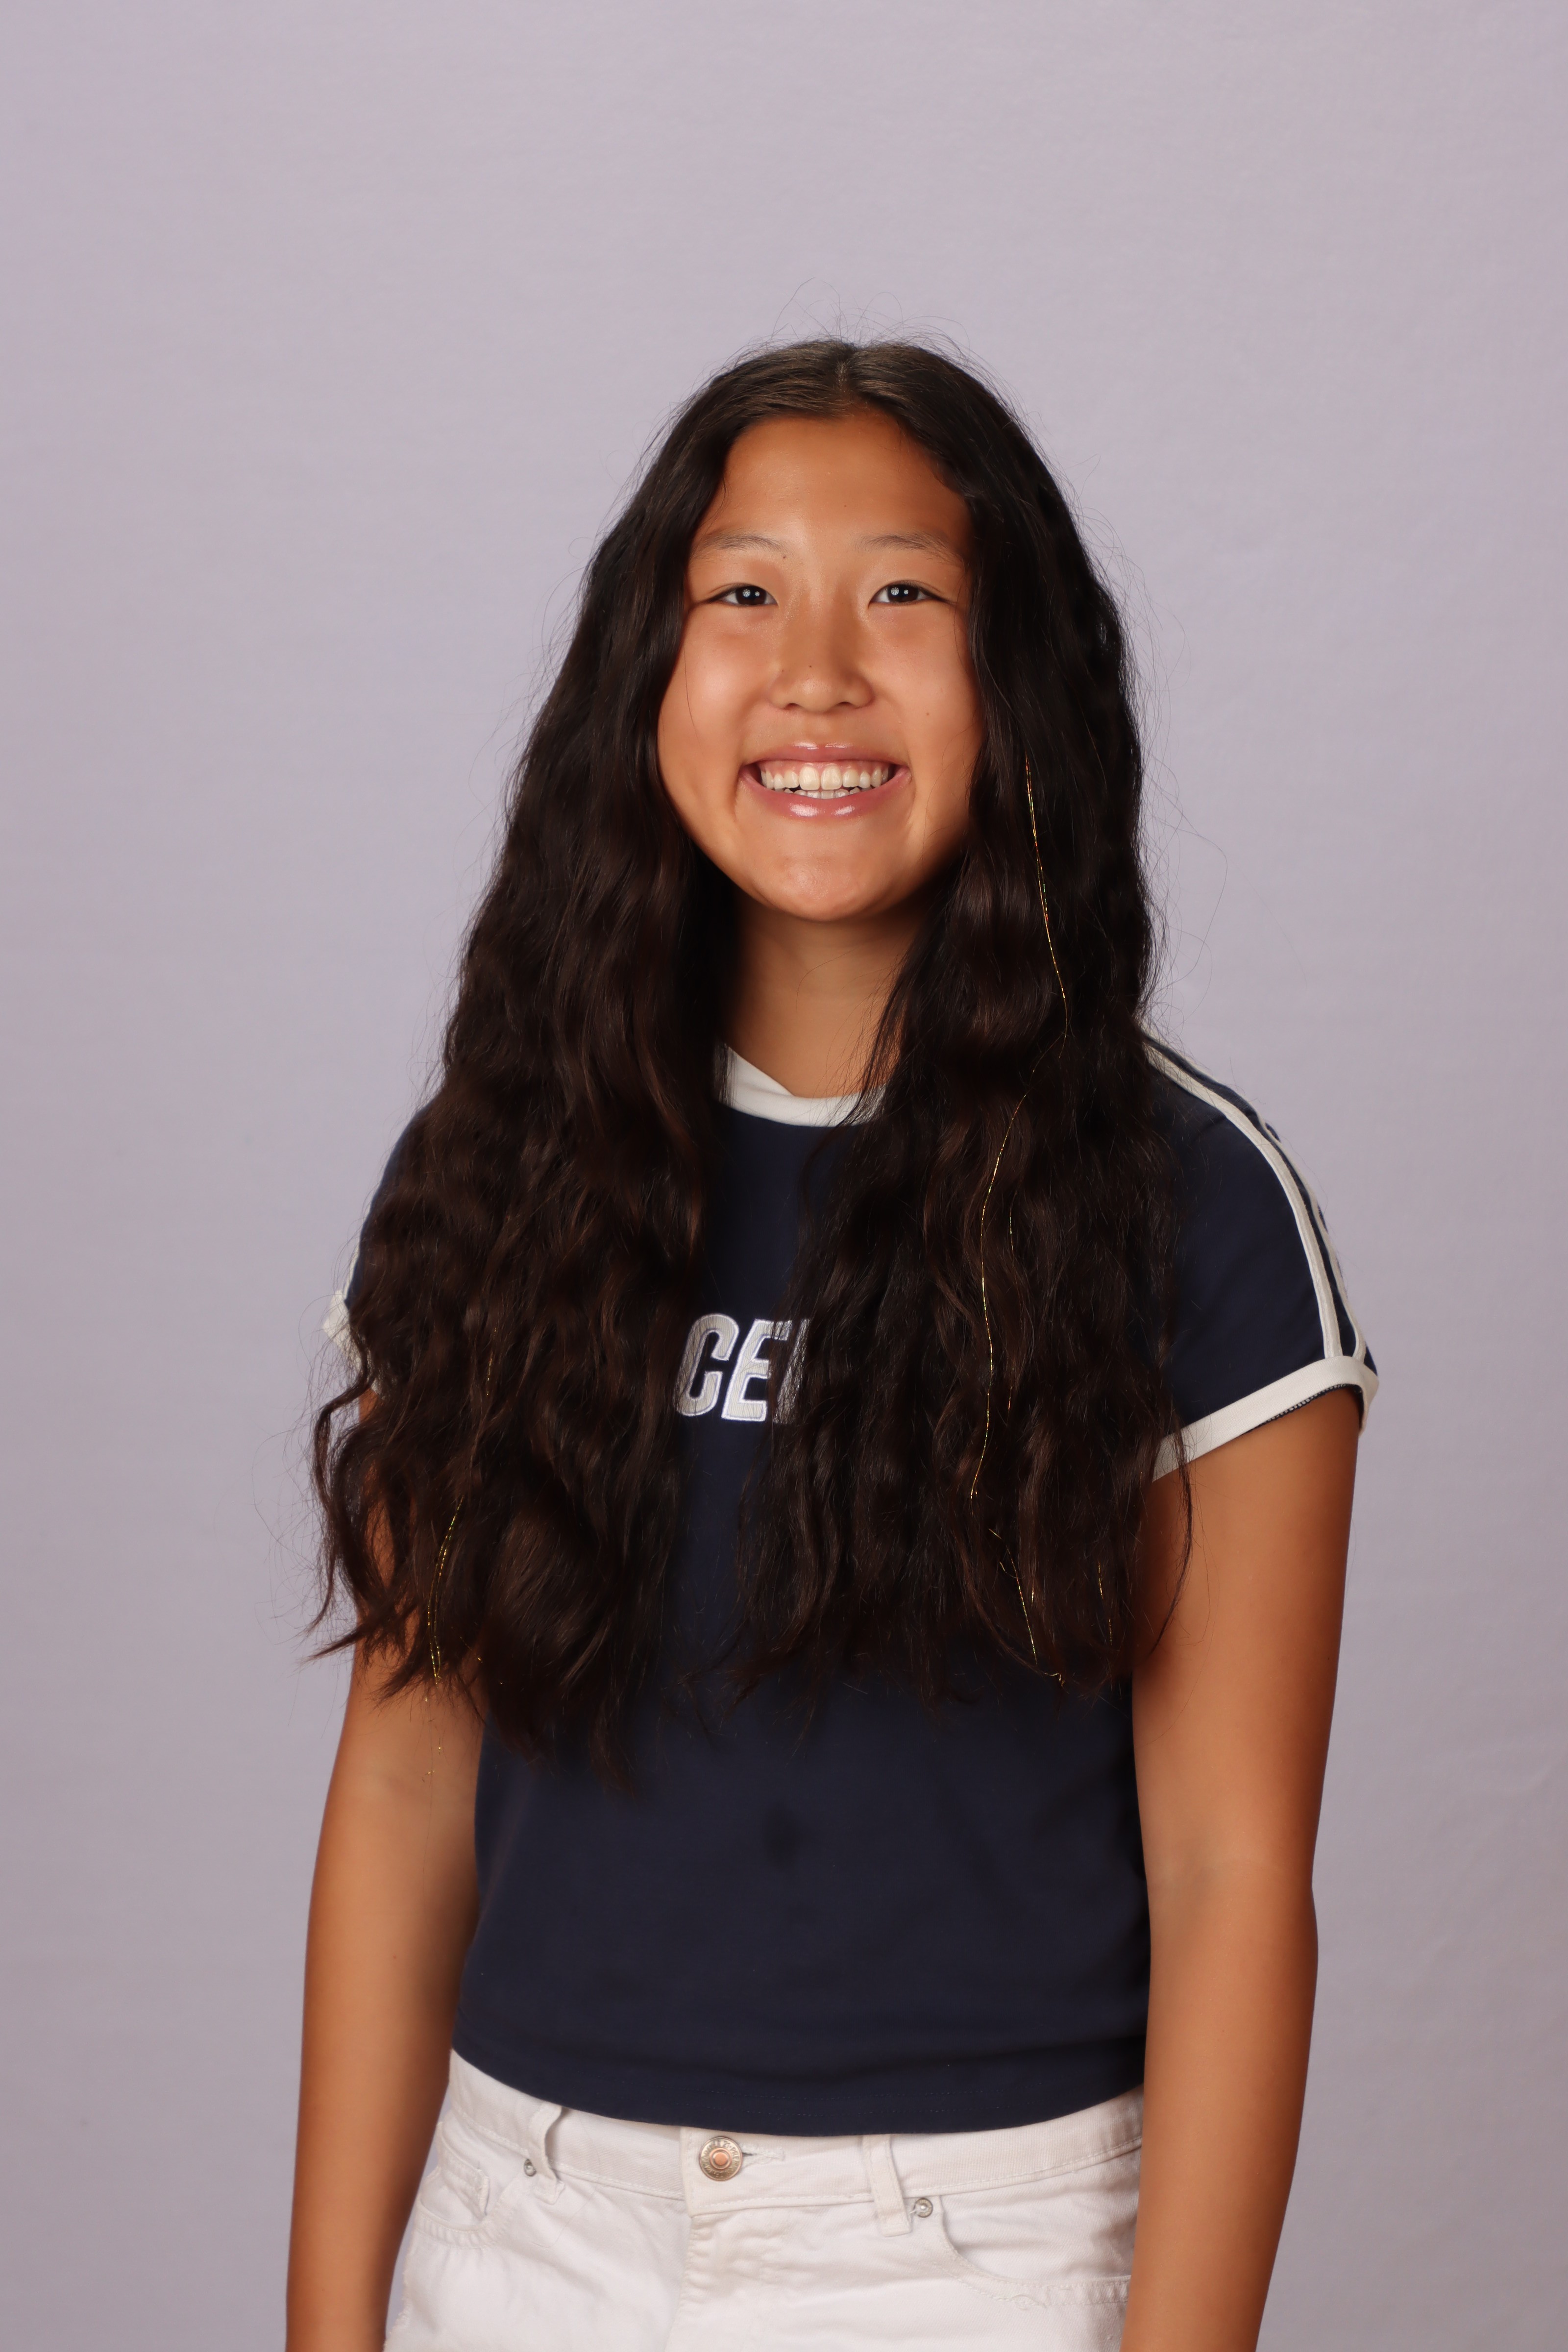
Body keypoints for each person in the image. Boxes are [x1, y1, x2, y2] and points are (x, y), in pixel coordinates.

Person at [287, 341, 1374, 2352]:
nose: (815, 672)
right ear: (647, 672)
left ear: (1013, 681)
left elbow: (1233, 1874)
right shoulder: (499, 1168)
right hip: (521, 2237)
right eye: (742, 592)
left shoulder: (1189, 1208)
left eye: (901, 594)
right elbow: (406, 1782)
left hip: (977, 2261)